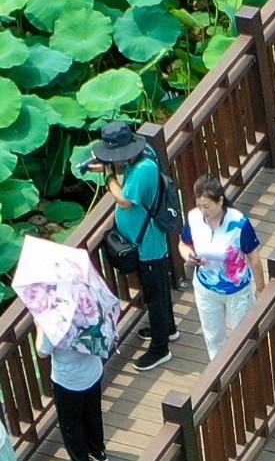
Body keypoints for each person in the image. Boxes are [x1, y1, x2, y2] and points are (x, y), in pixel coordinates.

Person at [15, 232, 120, 461]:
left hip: (68, 379)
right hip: (93, 370)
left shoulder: (54, 314)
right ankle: (98, 451)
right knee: (92, 412)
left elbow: (42, 350)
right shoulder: (88, 296)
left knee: (71, 424)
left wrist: (40, 322)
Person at [93, 120, 179, 370]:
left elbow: (124, 200)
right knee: (159, 290)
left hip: (148, 244)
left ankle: (160, 349)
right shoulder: (144, 154)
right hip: (146, 240)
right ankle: (167, 328)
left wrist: (109, 176)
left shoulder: (142, 169)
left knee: (155, 295)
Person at [187, 177, 260, 363]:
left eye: (207, 206)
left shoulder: (239, 223)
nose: (203, 211)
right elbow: (183, 243)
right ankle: (220, 375)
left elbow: (253, 257)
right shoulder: (194, 218)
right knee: (213, 338)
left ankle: (246, 368)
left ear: (220, 201)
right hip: (205, 287)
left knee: (243, 336)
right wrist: (189, 255)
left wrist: (260, 288)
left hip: (236, 290)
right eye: (199, 205)